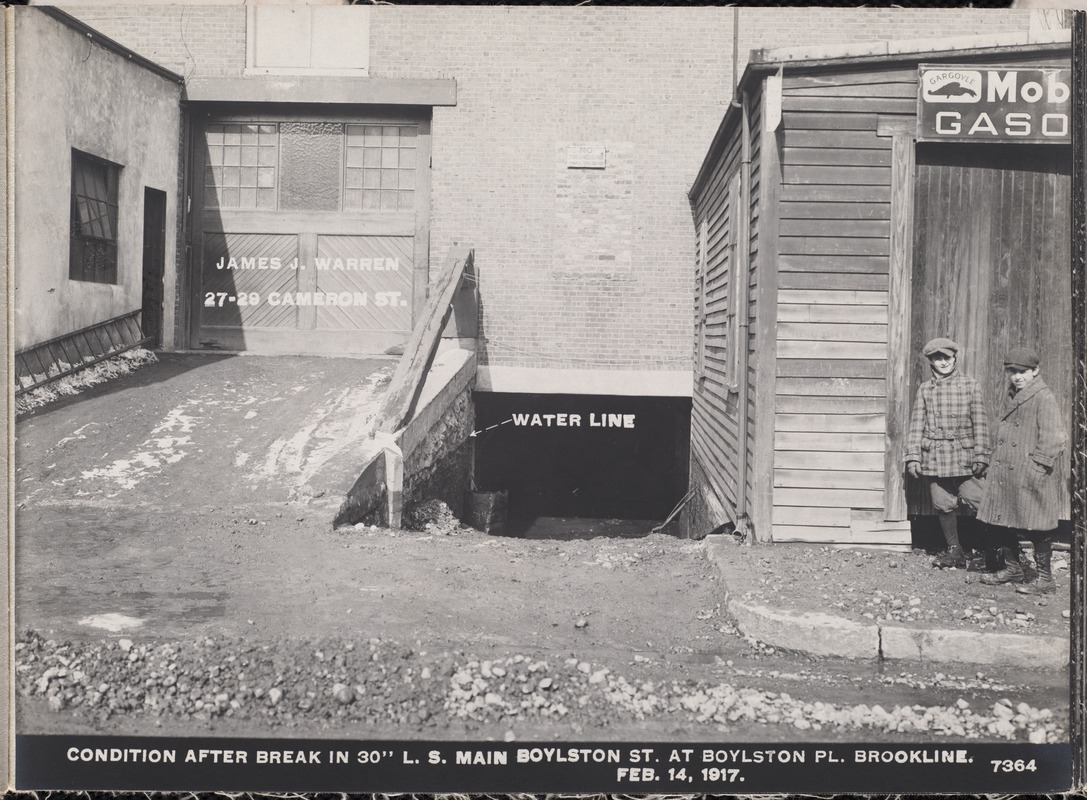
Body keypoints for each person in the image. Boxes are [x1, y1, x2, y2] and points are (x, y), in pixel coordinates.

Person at [977, 347, 1065, 593]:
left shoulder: (1043, 396)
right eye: (1013, 371)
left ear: (1036, 371)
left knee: (1038, 524)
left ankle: (1046, 580)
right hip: (1007, 470)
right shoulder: (1012, 394)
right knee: (1001, 519)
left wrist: (1038, 467)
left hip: (1029, 471)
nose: (1017, 376)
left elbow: (1054, 437)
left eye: (1023, 371)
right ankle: (1013, 569)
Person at [904, 337, 991, 569]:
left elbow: (980, 424)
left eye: (947, 358)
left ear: (955, 358)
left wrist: (981, 455)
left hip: (964, 456)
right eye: (937, 358)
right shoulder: (925, 389)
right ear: (931, 361)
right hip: (936, 456)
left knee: (981, 500)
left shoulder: (971, 385)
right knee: (942, 503)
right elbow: (916, 425)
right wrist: (913, 455)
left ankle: (998, 551)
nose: (943, 362)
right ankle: (955, 551)